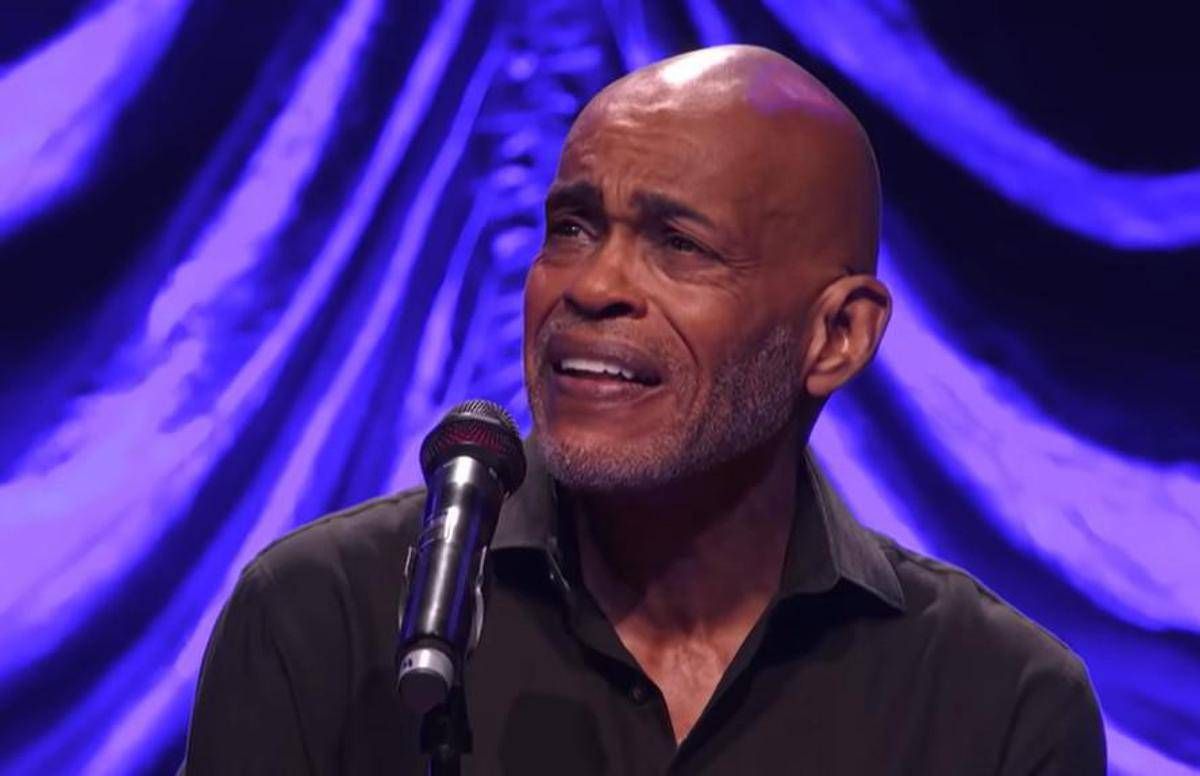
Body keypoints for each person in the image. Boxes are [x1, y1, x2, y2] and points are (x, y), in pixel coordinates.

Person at [184, 45, 1105, 774]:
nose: (592, 286)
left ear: (837, 336)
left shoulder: (996, 703)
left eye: (679, 244)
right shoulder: (323, 618)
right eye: (572, 227)